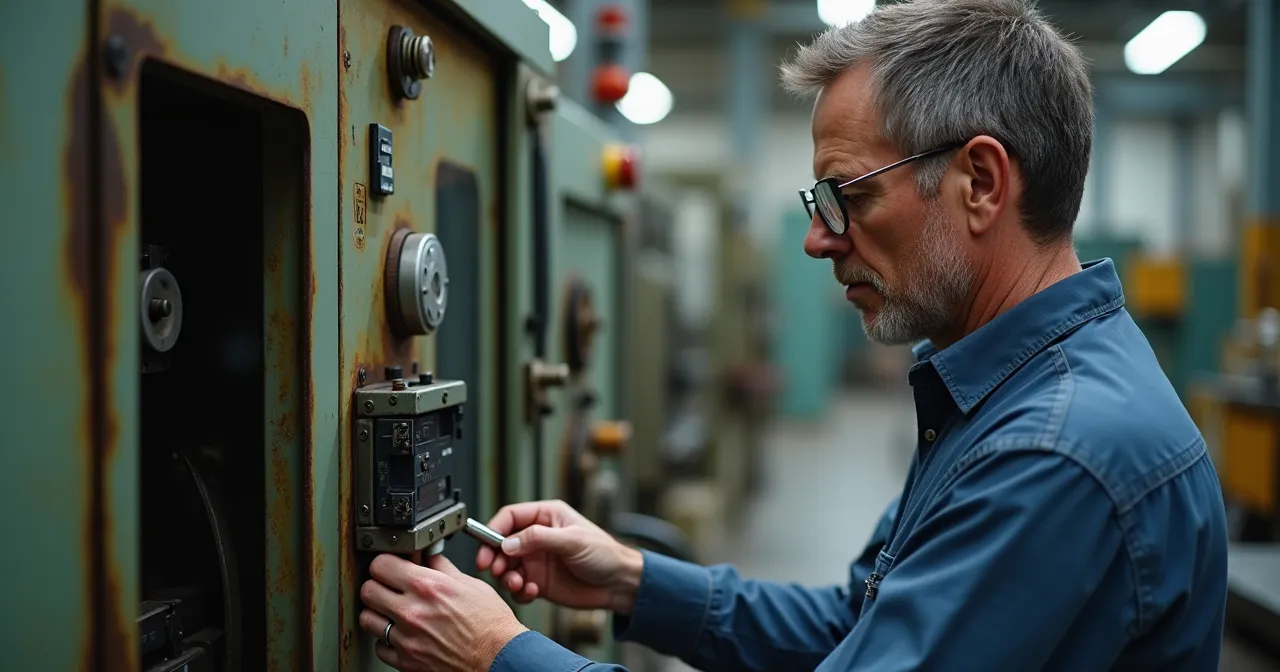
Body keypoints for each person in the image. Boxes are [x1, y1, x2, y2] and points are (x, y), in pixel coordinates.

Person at [355, 0, 1230, 669]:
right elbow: (860, 626)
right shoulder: (1005, 394)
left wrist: (502, 655)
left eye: (847, 196)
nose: (818, 238)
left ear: (980, 183)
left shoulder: (1054, 456)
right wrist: (632, 578)